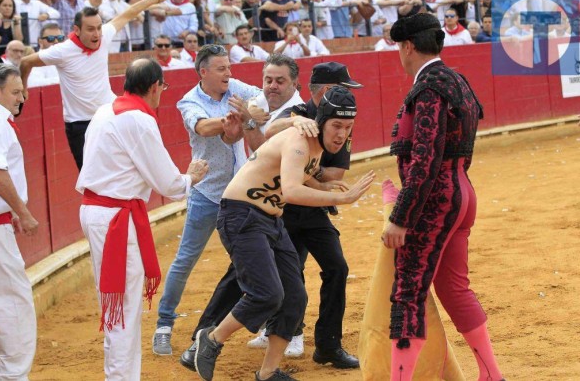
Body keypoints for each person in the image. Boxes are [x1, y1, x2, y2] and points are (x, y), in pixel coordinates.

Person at [193, 85, 375, 381]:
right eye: (336, 125)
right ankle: (211, 339)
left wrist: (322, 187)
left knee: (294, 297)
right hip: (242, 214)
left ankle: (267, 372)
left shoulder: (313, 145)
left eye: (348, 127)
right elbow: (290, 190)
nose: (342, 134)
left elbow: (291, 174)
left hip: (270, 220)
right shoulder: (301, 140)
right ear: (322, 122)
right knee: (267, 294)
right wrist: (339, 198)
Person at [383, 13, 504, 381]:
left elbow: (424, 160)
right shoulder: (457, 81)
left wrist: (401, 215)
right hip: (462, 192)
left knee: (407, 292)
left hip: (434, 201)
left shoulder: (430, 87)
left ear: (407, 47)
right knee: (453, 288)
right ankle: (491, 376)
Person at [76, 57, 208, 380]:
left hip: (100, 212)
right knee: (123, 307)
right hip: (116, 218)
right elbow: (168, 183)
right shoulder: (138, 119)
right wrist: (190, 178)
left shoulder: (105, 110)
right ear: (153, 87)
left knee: (115, 304)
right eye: (162, 87)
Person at [152, 44, 264, 355]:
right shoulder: (189, 100)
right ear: (204, 72)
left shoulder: (237, 87)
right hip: (207, 193)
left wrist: (245, 115)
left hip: (241, 192)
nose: (229, 73)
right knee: (185, 259)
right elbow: (202, 126)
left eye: (229, 67)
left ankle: (266, 320)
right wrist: (236, 119)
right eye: (221, 69)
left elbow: (262, 100)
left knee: (252, 258)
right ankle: (164, 324)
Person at [19, 0, 173, 171]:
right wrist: (23, 88)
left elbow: (128, 13)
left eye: (99, 27)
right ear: (76, 30)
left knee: (122, 168)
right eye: (91, 29)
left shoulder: (105, 34)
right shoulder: (62, 51)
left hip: (108, 115)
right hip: (80, 124)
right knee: (90, 178)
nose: (97, 34)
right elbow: (25, 62)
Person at [0, 64, 39, 381]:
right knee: (14, 299)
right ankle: (11, 376)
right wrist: (23, 212)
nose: (22, 98)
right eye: (15, 91)